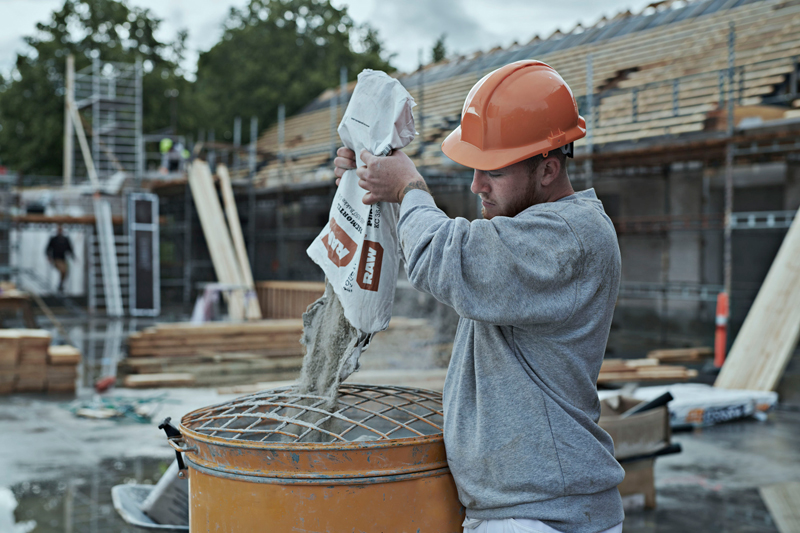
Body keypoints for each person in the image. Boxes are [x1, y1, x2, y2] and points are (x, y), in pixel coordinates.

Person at [334, 61, 624, 533]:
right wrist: (374, 182)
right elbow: (442, 251)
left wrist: (407, 188)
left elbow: (445, 257)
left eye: (492, 172)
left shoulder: (570, 237)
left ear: (548, 169)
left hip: (544, 517)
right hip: (524, 509)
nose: (476, 185)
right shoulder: (527, 233)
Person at [45, 224, 74, 293]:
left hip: (63, 259)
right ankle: (60, 285)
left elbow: (70, 249)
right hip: (56, 259)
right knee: (63, 270)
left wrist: (73, 257)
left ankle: (61, 284)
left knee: (66, 272)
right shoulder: (53, 239)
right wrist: (49, 257)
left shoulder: (65, 239)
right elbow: (47, 249)